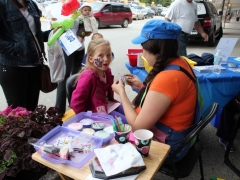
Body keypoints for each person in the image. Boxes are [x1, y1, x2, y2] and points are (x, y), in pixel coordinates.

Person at [111, 20, 198, 162]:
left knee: (111, 126)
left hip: (168, 145)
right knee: (114, 114)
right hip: (177, 135)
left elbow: (138, 127)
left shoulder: (168, 78)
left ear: (157, 49)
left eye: (144, 47)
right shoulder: (181, 62)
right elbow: (166, 96)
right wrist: (142, 86)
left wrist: (121, 92)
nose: (142, 52)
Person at [0, 0, 51, 111]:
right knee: (17, 112)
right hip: (13, 67)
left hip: (35, 66)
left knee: (31, 109)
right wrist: (18, 49)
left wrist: (52, 33)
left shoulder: (32, 4)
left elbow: (34, 35)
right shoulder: (3, 4)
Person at [70, 39, 126, 123]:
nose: (106, 59)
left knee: (131, 114)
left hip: (109, 104)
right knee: (126, 123)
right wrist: (85, 120)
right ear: (91, 59)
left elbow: (105, 90)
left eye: (108, 55)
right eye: (101, 55)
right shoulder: (88, 77)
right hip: (98, 111)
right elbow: (76, 102)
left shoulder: (107, 71)